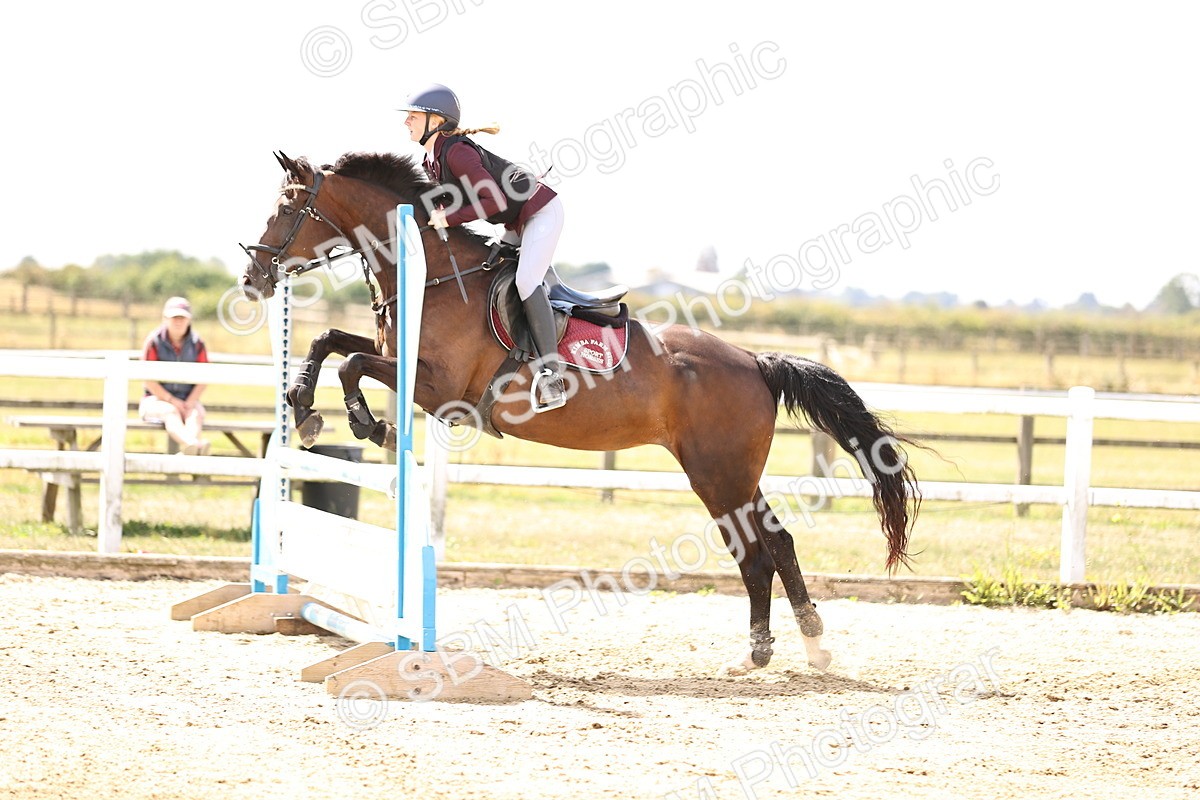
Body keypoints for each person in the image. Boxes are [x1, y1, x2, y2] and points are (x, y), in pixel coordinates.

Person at [399, 83, 568, 412]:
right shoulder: (431, 161)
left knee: (526, 281)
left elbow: (494, 200)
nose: (407, 121)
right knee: (488, 269)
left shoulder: (458, 152)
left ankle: (551, 375)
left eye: (413, 116)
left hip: (540, 212)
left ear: (436, 121)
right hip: (515, 221)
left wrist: (449, 218)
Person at [139, 296, 210, 455]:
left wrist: (190, 401)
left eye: (182, 317)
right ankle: (195, 446)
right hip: (155, 399)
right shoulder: (154, 342)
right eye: (174, 317)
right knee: (170, 412)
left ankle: (190, 449)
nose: (178, 322)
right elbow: (148, 380)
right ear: (165, 319)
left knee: (195, 413)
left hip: (187, 399)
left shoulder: (197, 343)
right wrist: (172, 400)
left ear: (189, 320)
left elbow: (204, 376)